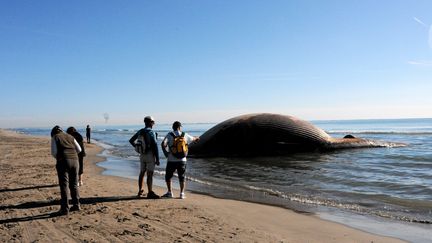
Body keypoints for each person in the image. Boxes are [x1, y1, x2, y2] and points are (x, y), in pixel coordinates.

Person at [161, 121, 199, 199]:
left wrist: (166, 152)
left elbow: (163, 144)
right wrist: (197, 138)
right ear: (179, 127)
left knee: (168, 176)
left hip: (171, 160)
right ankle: (182, 193)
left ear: (173, 127)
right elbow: (194, 139)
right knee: (181, 176)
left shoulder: (169, 135)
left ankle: (170, 192)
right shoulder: (184, 135)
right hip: (182, 160)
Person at [50, 125, 82, 215]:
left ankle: (65, 208)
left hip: (63, 161)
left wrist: (60, 157)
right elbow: (79, 149)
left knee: (64, 185)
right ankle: (76, 205)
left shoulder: (55, 137)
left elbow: (53, 152)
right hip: (75, 161)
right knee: (74, 184)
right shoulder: (70, 136)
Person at [129, 116, 160, 199]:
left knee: (142, 173)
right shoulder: (151, 132)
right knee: (150, 174)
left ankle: (140, 190)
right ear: (150, 122)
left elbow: (131, 140)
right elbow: (155, 146)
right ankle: (150, 192)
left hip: (142, 155)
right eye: (153, 122)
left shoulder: (140, 131)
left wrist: (137, 148)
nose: (153, 123)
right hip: (150, 155)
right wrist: (157, 158)